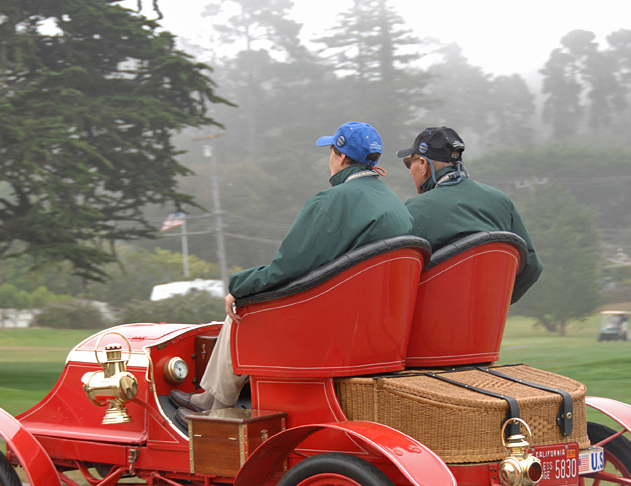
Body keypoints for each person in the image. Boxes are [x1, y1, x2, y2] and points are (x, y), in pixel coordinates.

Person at [170, 121, 413, 424]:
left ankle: (213, 403)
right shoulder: (395, 204)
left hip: (336, 332)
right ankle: (214, 398)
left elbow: (288, 269)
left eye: (331, 150)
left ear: (339, 156)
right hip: (378, 332)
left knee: (245, 310)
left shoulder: (333, 201)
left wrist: (239, 286)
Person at [396, 126, 542, 302]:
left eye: (408, 163)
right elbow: (532, 266)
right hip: (486, 324)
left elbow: (397, 275)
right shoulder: (501, 200)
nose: (409, 169)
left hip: (434, 321)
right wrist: (495, 305)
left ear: (423, 164)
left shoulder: (416, 208)